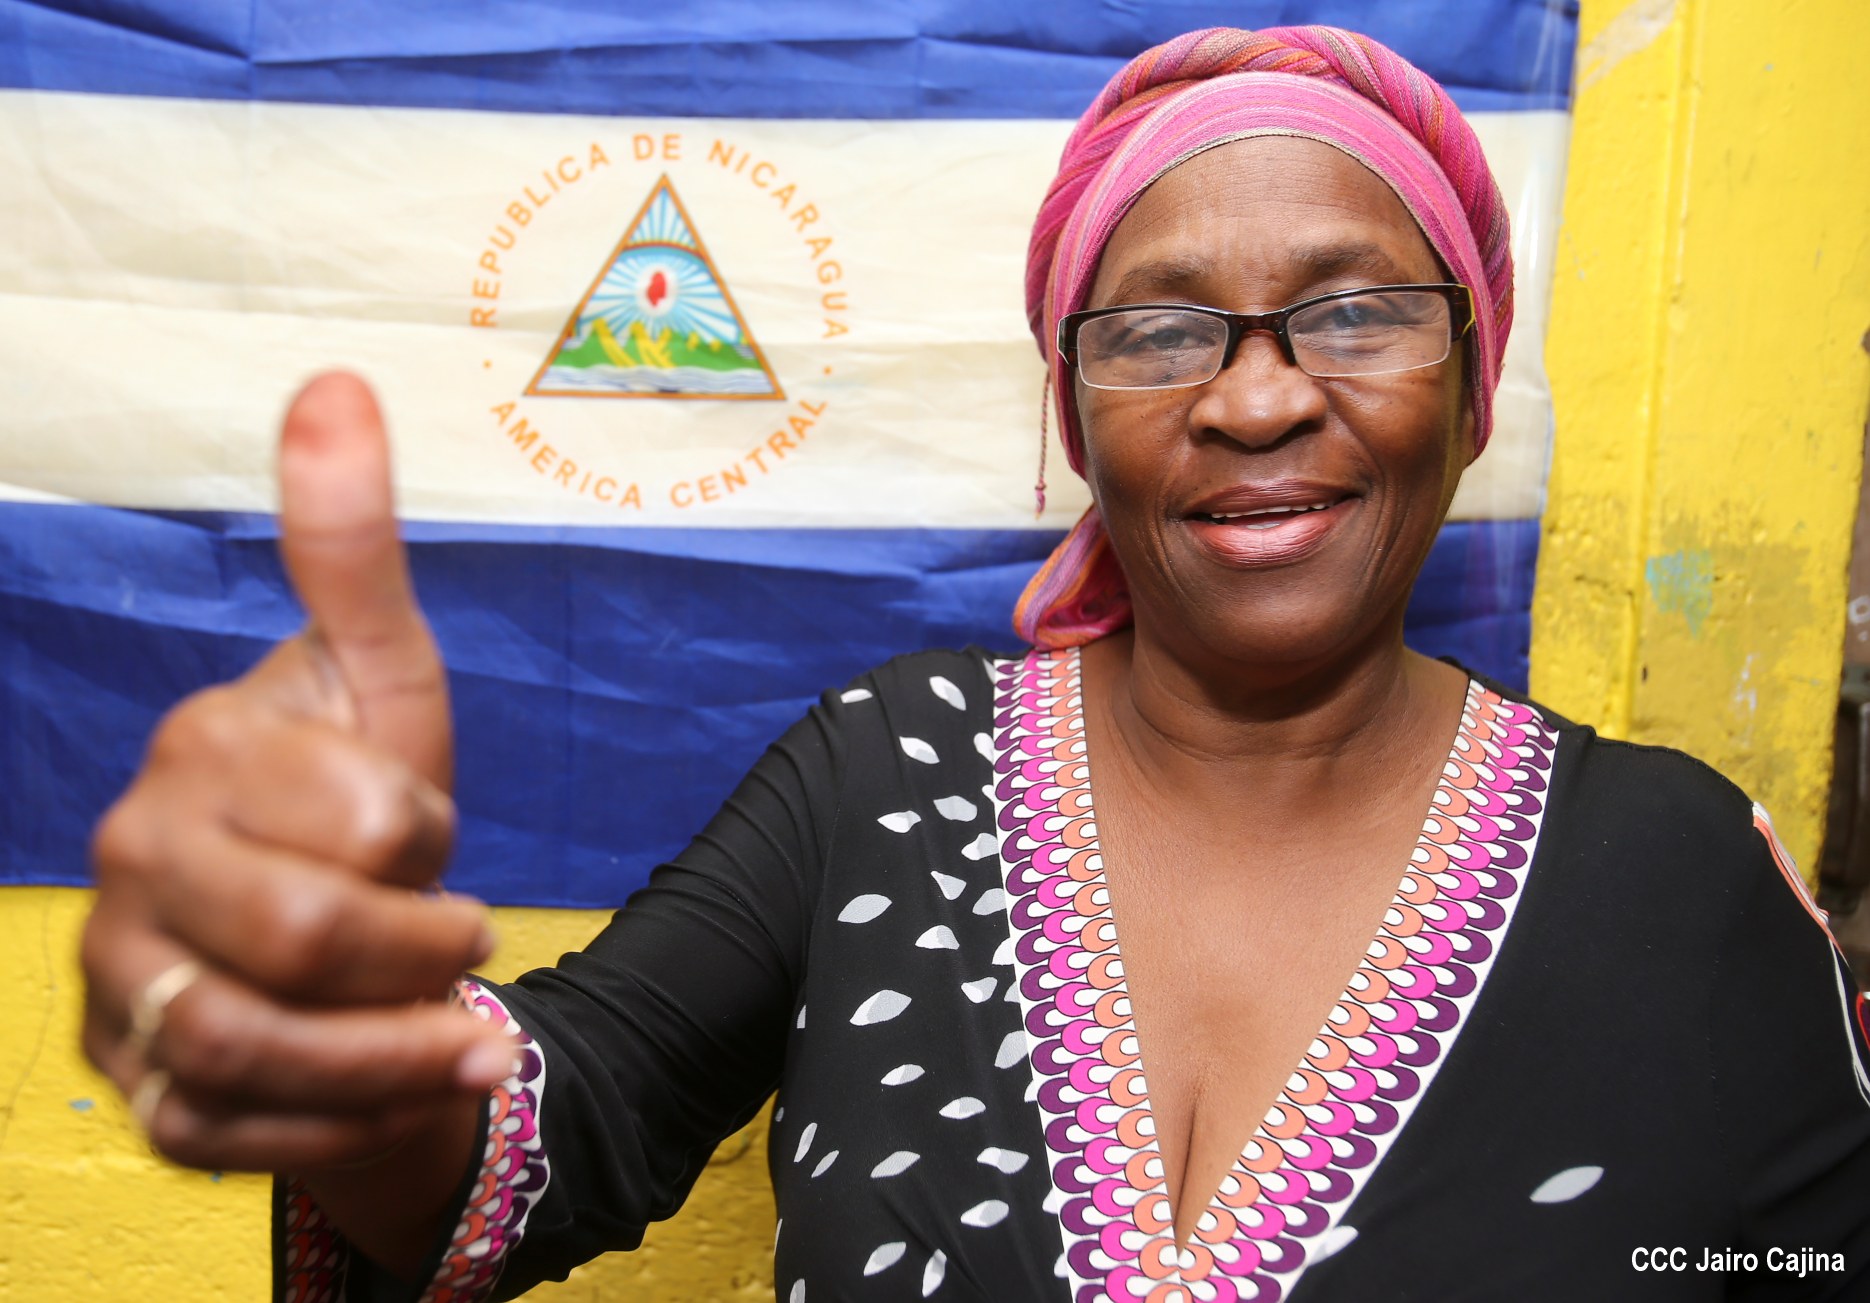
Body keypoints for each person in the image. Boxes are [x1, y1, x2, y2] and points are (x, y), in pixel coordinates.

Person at [81, 25, 1870, 1303]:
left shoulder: (1677, 877)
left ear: (1471, 390)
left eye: (1354, 311)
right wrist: (346, 1050)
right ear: (1074, 417)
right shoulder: (889, 775)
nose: (1256, 398)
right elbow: (549, 1130)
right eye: (1158, 330)